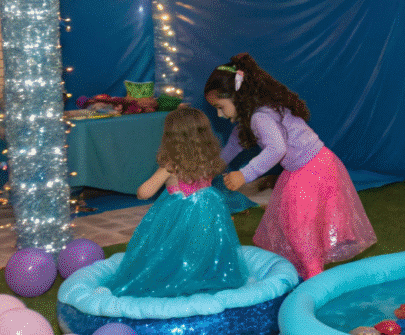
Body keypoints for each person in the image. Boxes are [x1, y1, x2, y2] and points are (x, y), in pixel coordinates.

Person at [205, 53, 376, 280]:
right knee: (292, 224)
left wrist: (244, 175)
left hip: (313, 167)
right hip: (307, 166)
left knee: (299, 227)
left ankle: (314, 277)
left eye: (220, 107)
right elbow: (232, 147)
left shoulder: (260, 117)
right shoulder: (250, 117)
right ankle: (307, 272)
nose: (219, 114)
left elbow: (277, 149)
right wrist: (209, 170)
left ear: (237, 97)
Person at [106, 106, 246, 297]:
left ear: (171, 137)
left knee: (171, 248)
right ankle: (204, 277)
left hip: (180, 213)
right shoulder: (209, 160)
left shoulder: (172, 165)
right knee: (204, 248)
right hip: (208, 210)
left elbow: (146, 192)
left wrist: (140, 191)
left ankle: (178, 281)